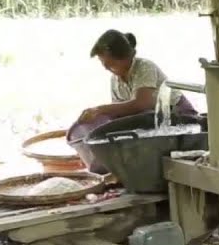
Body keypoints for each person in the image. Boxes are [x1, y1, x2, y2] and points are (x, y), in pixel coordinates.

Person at [67, 30, 199, 170]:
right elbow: (120, 113)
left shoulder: (144, 67)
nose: (105, 67)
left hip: (180, 120)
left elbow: (142, 103)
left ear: (124, 58)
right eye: (102, 62)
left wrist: (100, 109)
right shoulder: (115, 80)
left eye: (108, 63)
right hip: (151, 124)